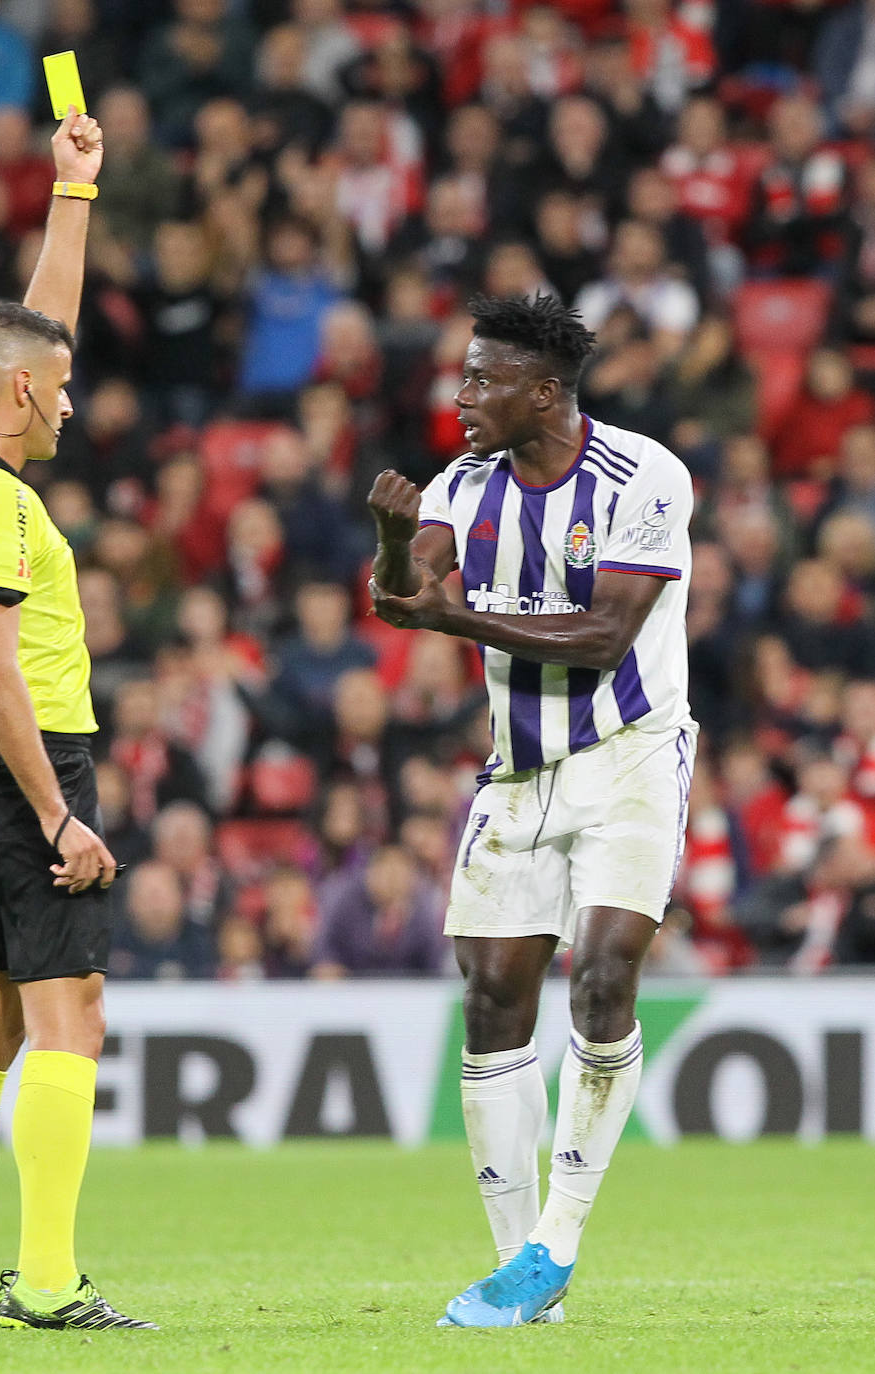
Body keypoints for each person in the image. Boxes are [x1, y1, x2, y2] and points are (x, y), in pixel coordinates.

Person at [368, 294, 696, 1327]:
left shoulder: (644, 475)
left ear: (544, 392)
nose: (460, 398)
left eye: (481, 380)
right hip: (519, 771)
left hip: (631, 754)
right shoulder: (463, 487)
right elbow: (403, 596)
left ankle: (557, 1239)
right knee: (493, 1002)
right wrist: (390, 542)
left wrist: (453, 610)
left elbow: (604, 635)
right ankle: (524, 1276)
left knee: (603, 976)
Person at [0, 105, 154, 1333]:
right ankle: (50, 1285)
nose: (70, 399)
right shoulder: (0, 516)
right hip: (22, 762)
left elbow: (30, 334)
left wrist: (73, 197)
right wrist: (61, 816)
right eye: (55, 388)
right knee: (71, 1021)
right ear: (18, 392)